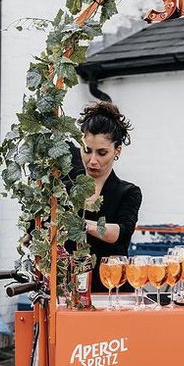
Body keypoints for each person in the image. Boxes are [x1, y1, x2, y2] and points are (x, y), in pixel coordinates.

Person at [77, 101, 142, 292]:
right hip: (70, 291)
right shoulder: (65, 189)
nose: (93, 160)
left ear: (117, 151)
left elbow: (120, 233)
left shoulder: (128, 192)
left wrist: (81, 225)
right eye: (87, 150)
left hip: (113, 291)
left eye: (102, 152)